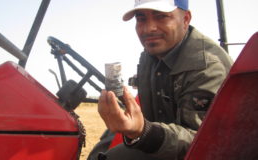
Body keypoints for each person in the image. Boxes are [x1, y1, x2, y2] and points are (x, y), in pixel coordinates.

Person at [88, 0, 233, 159]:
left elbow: (203, 143)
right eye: (141, 18)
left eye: (162, 16)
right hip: (163, 145)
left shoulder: (207, 67)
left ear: (185, 19)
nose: (148, 29)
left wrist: (143, 131)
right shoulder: (150, 56)